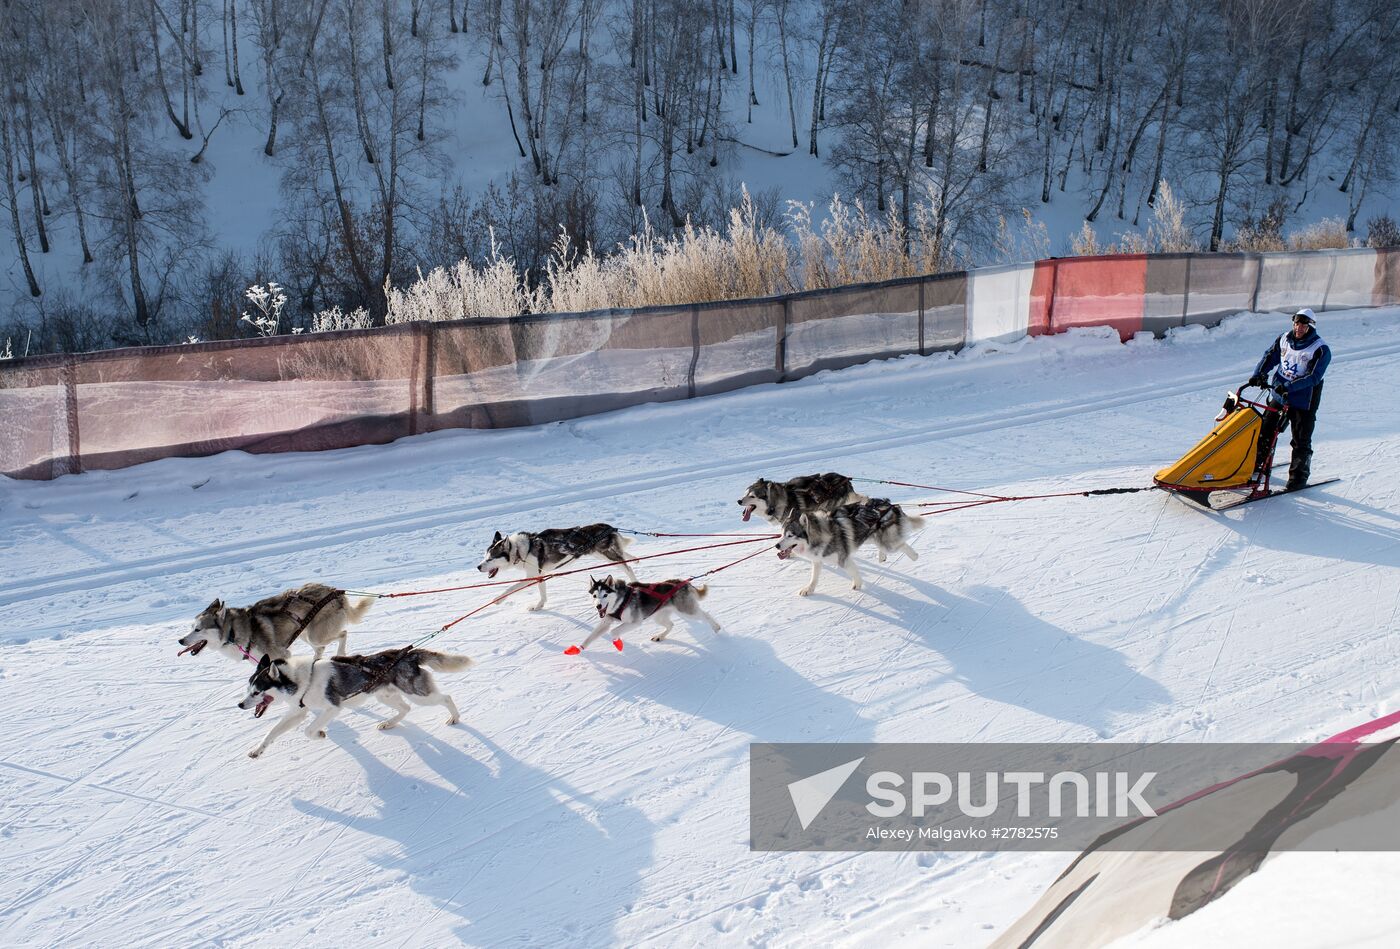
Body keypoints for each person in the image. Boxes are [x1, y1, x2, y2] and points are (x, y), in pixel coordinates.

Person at [1247, 307, 1330, 490]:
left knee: (1300, 438)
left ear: (1311, 327)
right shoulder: (1284, 338)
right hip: (1279, 394)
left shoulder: (1321, 349)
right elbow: (1270, 356)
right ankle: (1258, 462)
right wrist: (1259, 374)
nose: (1299, 328)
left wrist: (1288, 387)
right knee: (1266, 429)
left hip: (1303, 399)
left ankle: (1299, 477)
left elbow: (1313, 377)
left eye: (1304, 325)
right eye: (1297, 323)